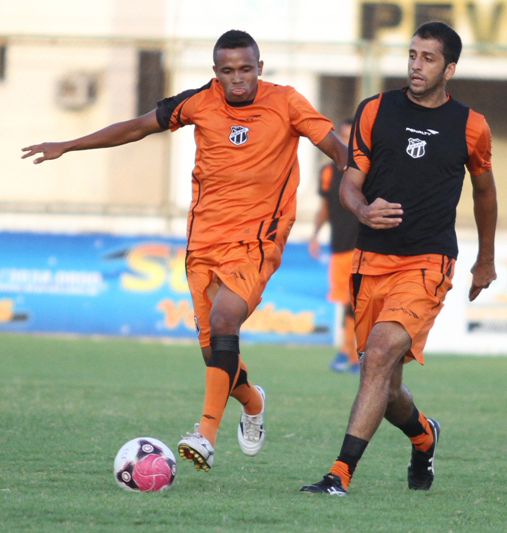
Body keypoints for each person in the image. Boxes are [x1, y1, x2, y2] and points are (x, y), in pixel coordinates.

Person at [22, 30, 348, 472]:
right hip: (203, 244)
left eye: (246, 69)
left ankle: (205, 435)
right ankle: (252, 402)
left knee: (225, 319)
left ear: (260, 67)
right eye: (228, 70)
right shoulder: (198, 102)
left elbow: (333, 146)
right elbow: (137, 127)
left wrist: (364, 179)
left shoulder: (287, 102)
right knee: (214, 352)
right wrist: (69, 145)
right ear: (216, 73)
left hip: (258, 240)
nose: (238, 79)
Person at [300, 21, 497, 495]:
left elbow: (485, 193)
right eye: (412, 55)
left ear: (449, 69)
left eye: (428, 58)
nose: (416, 65)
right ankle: (424, 435)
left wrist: (485, 260)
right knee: (383, 383)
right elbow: (350, 180)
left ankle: (338, 475)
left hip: (428, 263)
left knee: (382, 352)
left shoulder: (471, 126)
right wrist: (363, 208)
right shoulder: (375, 111)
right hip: (371, 262)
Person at [308, 119, 360, 373]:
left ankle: (350, 354)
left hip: (363, 246)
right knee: (346, 302)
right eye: (344, 136)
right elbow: (325, 209)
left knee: (357, 301)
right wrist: (315, 235)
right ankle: (349, 353)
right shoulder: (329, 173)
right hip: (339, 247)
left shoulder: (367, 170)